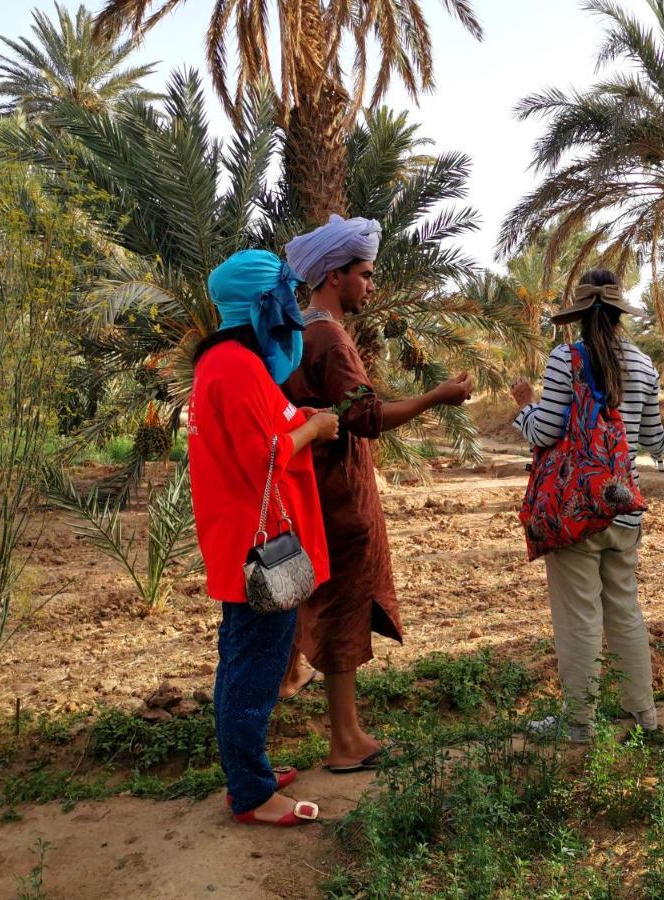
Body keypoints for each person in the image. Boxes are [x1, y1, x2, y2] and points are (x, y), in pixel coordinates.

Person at [281, 215, 474, 772]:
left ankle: (296, 683)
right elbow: (364, 417)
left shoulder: (295, 332)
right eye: (364, 275)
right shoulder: (330, 337)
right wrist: (435, 397)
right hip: (342, 496)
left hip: (313, 489)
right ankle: (346, 741)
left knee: (319, 599)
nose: (370, 285)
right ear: (334, 277)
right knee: (343, 608)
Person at [188, 249, 339, 826]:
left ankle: (246, 768)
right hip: (261, 551)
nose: (292, 310)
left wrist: (294, 416)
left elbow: (258, 429)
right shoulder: (239, 366)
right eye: (284, 297)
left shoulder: (218, 362)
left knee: (240, 660)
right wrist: (317, 427)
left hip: (235, 540)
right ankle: (250, 794)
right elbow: (266, 453)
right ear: (261, 303)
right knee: (253, 669)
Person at [511, 268, 664, 742]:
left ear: (580, 315)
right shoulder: (645, 365)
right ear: (619, 313)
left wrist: (523, 404)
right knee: (625, 609)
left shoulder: (564, 359)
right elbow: (650, 439)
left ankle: (579, 722)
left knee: (579, 615)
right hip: (623, 505)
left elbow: (544, 432)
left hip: (577, 510)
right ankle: (643, 715)